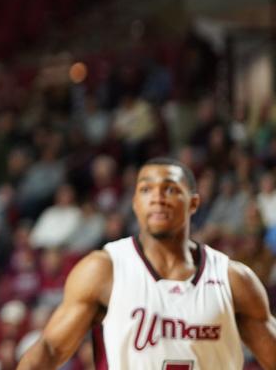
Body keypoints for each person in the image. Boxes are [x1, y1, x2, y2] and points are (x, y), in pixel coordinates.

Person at [17, 156, 276, 369]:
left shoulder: (232, 278)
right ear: (135, 204)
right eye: (146, 189)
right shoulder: (105, 270)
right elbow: (50, 350)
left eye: (171, 189)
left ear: (194, 203)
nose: (157, 197)